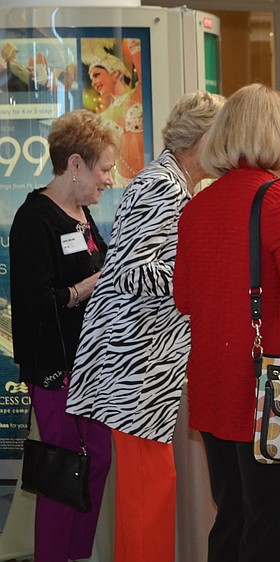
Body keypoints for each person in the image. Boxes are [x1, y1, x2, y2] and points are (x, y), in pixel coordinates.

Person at [65, 90, 224, 562]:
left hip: (143, 363)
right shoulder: (162, 185)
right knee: (147, 492)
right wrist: (206, 277)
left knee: (150, 489)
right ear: (203, 139)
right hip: (135, 365)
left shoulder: (174, 183)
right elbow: (135, 271)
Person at [173, 83, 280, 562]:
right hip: (273, 394)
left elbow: (184, 298)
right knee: (273, 527)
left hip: (216, 388)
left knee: (234, 516)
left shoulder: (198, 204)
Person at [9, 109, 117, 562]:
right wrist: (85, 288)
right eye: (104, 168)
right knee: (61, 470)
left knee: (97, 461)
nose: (110, 180)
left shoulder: (83, 216)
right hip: (55, 368)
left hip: (90, 367)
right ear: (75, 165)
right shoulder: (34, 219)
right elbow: (35, 303)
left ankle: (76, 554)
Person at [82, 38, 144, 188]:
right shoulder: (101, 116)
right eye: (91, 79)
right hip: (120, 184)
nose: (94, 83)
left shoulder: (138, 93)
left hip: (147, 181)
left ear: (115, 73)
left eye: (96, 75)